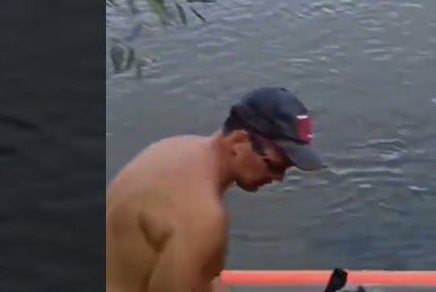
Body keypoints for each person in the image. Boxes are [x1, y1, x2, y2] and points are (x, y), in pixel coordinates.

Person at [107, 87, 326, 292]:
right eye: (273, 165)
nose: (278, 178)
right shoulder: (203, 219)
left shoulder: (177, 149)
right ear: (238, 141)